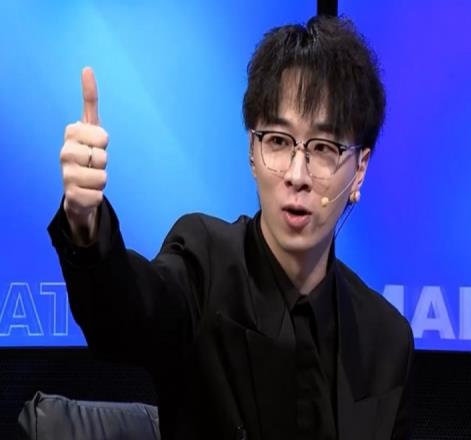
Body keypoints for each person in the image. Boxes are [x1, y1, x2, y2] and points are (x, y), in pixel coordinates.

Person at [48, 15, 414, 440]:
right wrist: (86, 224)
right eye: (278, 141)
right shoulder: (203, 266)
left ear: (360, 168)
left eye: (322, 147)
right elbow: (123, 318)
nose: (297, 174)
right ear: (252, 153)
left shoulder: (385, 340)